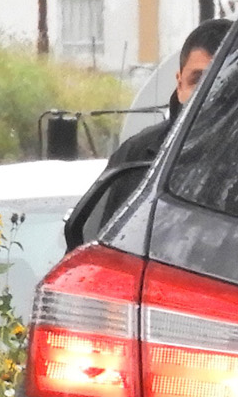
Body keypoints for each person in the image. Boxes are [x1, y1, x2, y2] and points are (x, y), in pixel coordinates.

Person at [62, 17, 228, 249]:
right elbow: (99, 249)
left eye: (222, 81)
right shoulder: (136, 156)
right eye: (197, 80)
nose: (207, 93)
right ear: (179, 84)